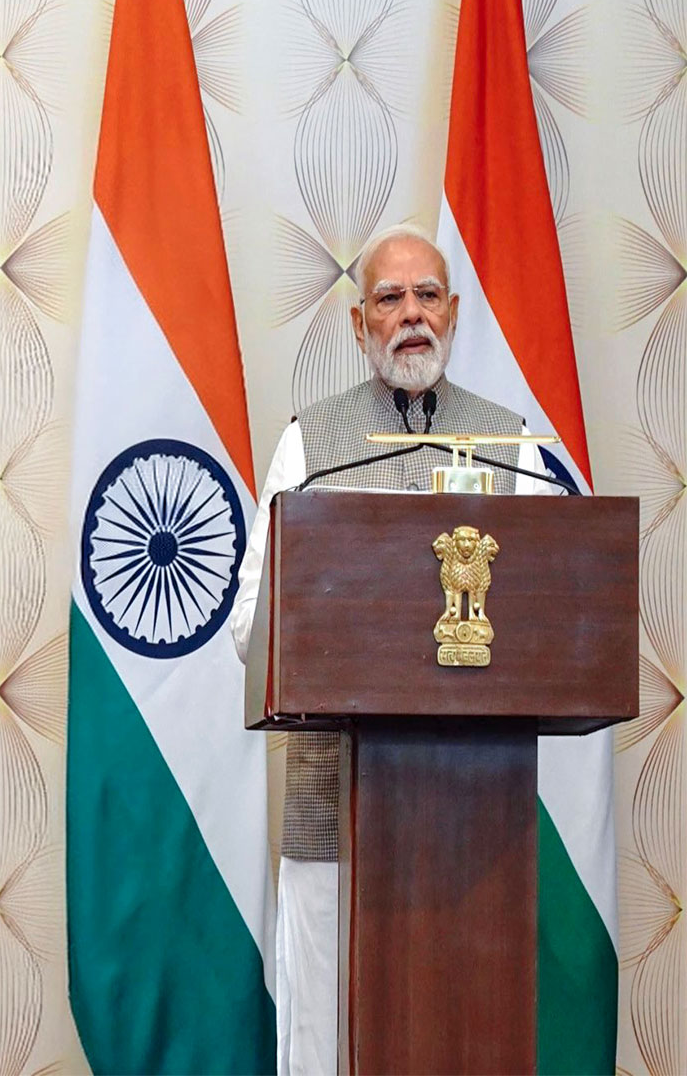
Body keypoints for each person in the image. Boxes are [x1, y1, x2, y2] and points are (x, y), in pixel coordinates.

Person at [228, 222, 558, 1075]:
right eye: (389, 298)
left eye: (427, 295)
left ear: (453, 311)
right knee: (331, 1036)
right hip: (334, 810)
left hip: (477, 817)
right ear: (359, 322)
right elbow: (252, 622)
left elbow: (553, 611)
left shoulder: (514, 444)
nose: (412, 313)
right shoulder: (311, 443)